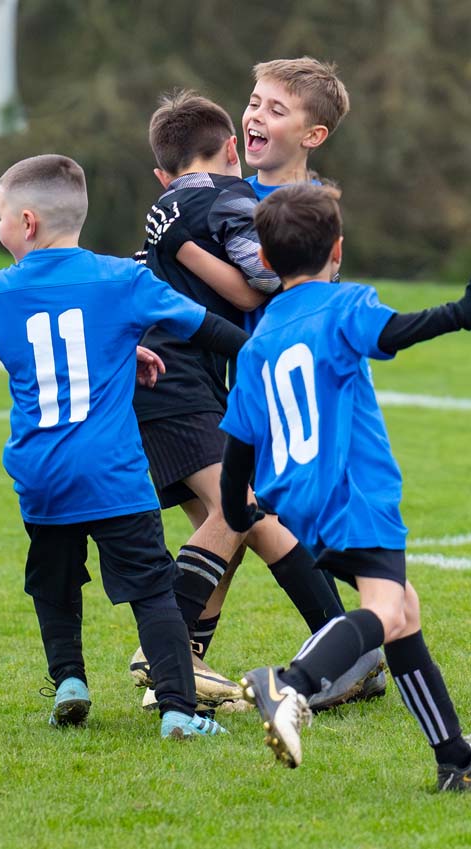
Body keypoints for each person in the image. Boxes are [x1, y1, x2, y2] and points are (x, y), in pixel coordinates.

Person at [220, 182, 471, 788]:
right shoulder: (342, 305)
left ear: (267, 263)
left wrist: (234, 509)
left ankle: (453, 756)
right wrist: (466, 310)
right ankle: (289, 683)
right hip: (356, 495)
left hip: (300, 506)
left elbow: (239, 446)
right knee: (382, 608)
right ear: (338, 249)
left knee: (402, 608)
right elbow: (395, 332)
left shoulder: (259, 342)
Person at [139, 62, 386, 711]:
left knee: (252, 519)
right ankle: (340, 651)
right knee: (245, 513)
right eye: (253, 103)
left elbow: (311, 302)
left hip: (286, 388)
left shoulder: (315, 212)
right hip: (219, 385)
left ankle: (184, 661)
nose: (255, 116)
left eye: (276, 109)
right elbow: (174, 269)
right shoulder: (220, 192)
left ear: (314, 134)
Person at [0, 153, 249, 740]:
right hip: (112, 472)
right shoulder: (122, 280)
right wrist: (261, 355)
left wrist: (114, 352)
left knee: (53, 582)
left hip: (40, 473)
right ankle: (179, 711)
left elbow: (38, 360)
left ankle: (71, 681)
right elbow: (208, 327)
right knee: (153, 591)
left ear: (26, 223)